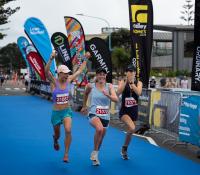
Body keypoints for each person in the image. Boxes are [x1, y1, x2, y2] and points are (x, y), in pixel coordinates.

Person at [45, 50, 91, 163]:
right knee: (58, 135)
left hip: (66, 111)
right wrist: (51, 58)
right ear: (59, 73)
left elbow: (80, 70)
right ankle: (55, 140)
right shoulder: (54, 81)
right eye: (64, 73)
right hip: (56, 113)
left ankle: (66, 154)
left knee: (68, 130)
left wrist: (85, 59)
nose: (67, 75)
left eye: (67, 73)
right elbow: (46, 72)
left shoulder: (69, 79)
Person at [81, 67, 118, 166]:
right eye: (99, 74)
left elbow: (116, 99)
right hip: (93, 113)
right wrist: (84, 106)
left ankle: (95, 154)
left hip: (105, 116)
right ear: (96, 76)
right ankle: (94, 153)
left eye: (103, 74)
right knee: (99, 129)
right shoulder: (90, 86)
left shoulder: (109, 86)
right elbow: (85, 94)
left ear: (105, 76)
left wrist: (108, 95)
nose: (101, 76)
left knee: (101, 138)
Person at [117, 64, 142, 160]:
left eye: (133, 71)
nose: (132, 73)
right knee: (132, 128)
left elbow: (138, 93)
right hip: (124, 111)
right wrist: (126, 82)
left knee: (131, 131)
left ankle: (124, 148)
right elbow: (118, 92)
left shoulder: (138, 82)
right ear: (126, 73)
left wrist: (132, 84)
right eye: (130, 71)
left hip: (134, 111)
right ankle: (124, 148)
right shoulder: (122, 81)